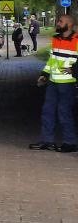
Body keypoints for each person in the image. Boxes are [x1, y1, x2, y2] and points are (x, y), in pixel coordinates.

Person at [31, 14, 78, 153]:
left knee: (64, 112)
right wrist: (44, 75)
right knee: (47, 111)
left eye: (61, 21)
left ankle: (70, 143)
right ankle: (47, 141)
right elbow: (52, 60)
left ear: (69, 24)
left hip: (68, 83)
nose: (58, 23)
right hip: (53, 82)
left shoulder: (76, 40)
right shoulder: (56, 39)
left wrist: (74, 69)